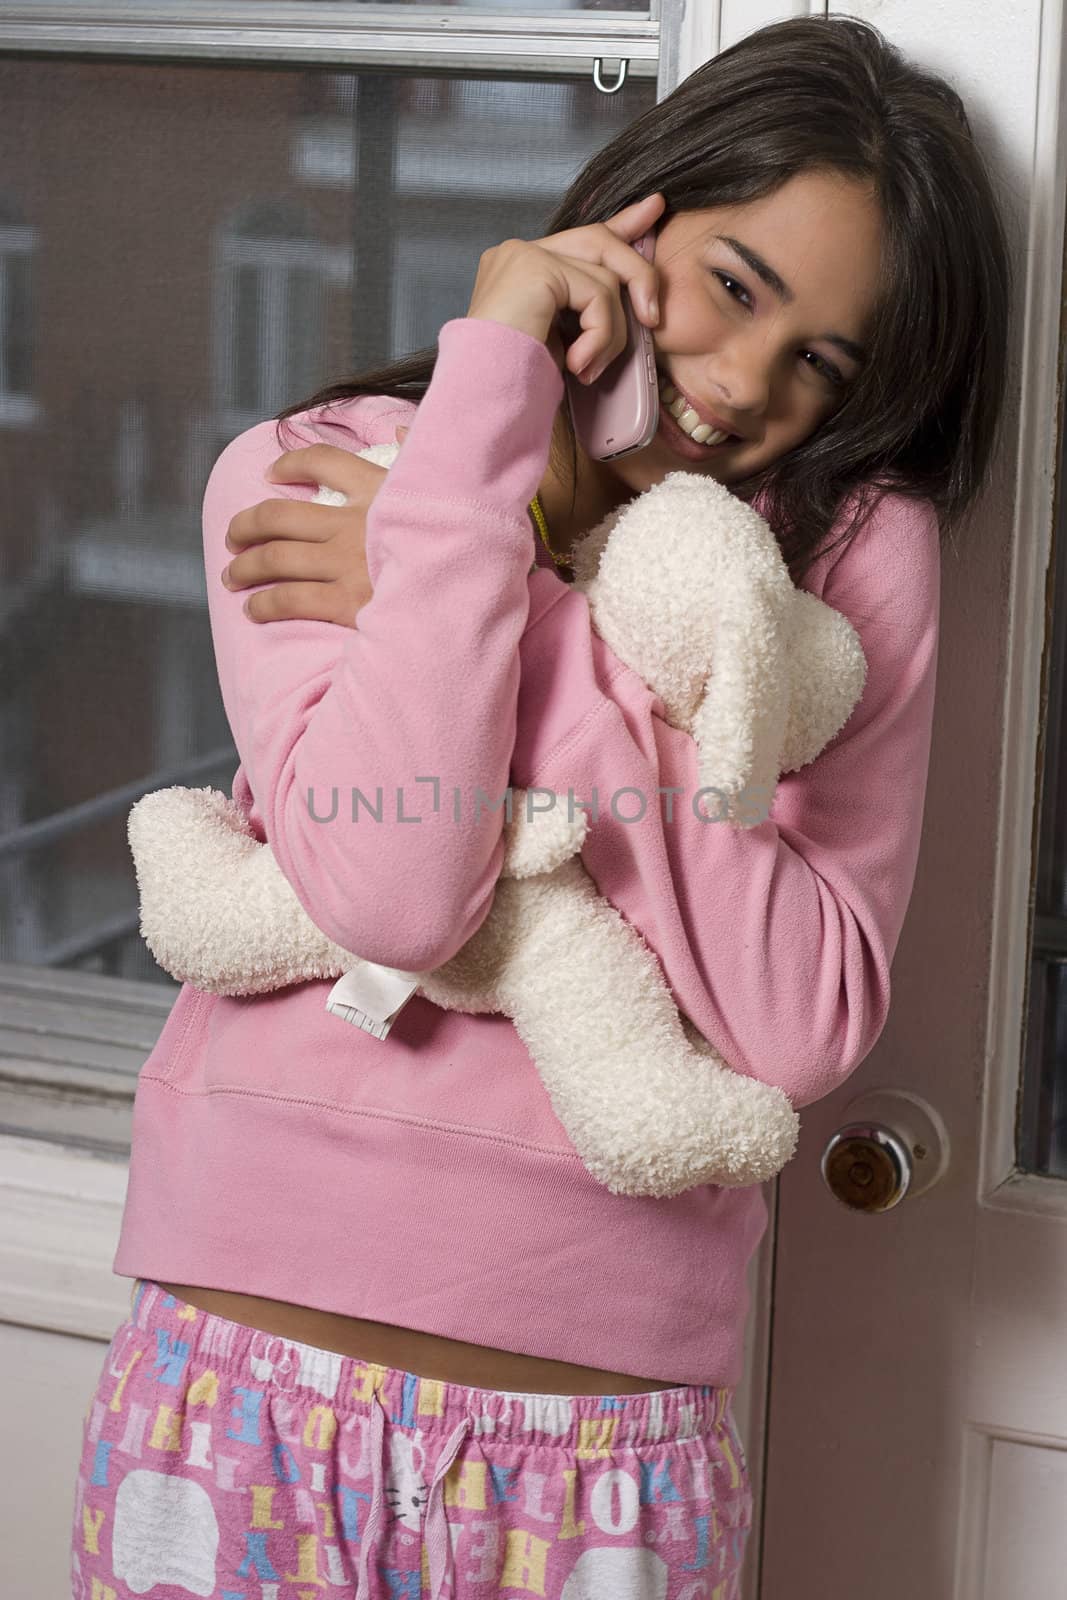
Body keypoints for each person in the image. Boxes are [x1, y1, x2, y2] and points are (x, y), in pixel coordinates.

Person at [71, 15, 1012, 1599]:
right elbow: (392, 889)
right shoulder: (314, 475)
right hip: (235, 1393)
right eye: (734, 288)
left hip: (595, 1464)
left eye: (822, 364)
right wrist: (484, 431)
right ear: (635, 212)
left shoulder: (841, 572)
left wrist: (531, 606)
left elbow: (799, 1019)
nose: (740, 387)